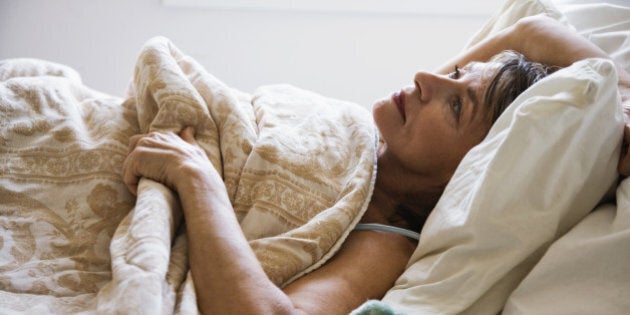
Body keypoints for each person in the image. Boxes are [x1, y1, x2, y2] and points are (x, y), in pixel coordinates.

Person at [121, 15, 630, 314]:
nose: (427, 78)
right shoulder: (374, 137)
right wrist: (624, 100)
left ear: (471, 169)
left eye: (457, 105)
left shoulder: (387, 237)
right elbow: (533, 29)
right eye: (455, 72)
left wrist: (196, 178)